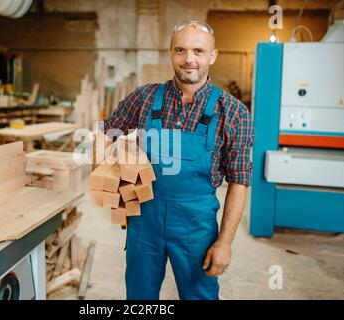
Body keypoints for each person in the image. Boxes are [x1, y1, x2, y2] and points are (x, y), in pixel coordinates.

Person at [102, 20, 254, 300]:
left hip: (196, 227)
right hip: (144, 223)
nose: (189, 59)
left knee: (199, 295)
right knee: (139, 296)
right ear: (171, 53)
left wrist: (225, 243)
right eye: (180, 50)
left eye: (198, 51)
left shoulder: (233, 112)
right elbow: (107, 132)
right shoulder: (145, 98)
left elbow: (240, 182)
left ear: (212, 55)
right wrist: (114, 181)